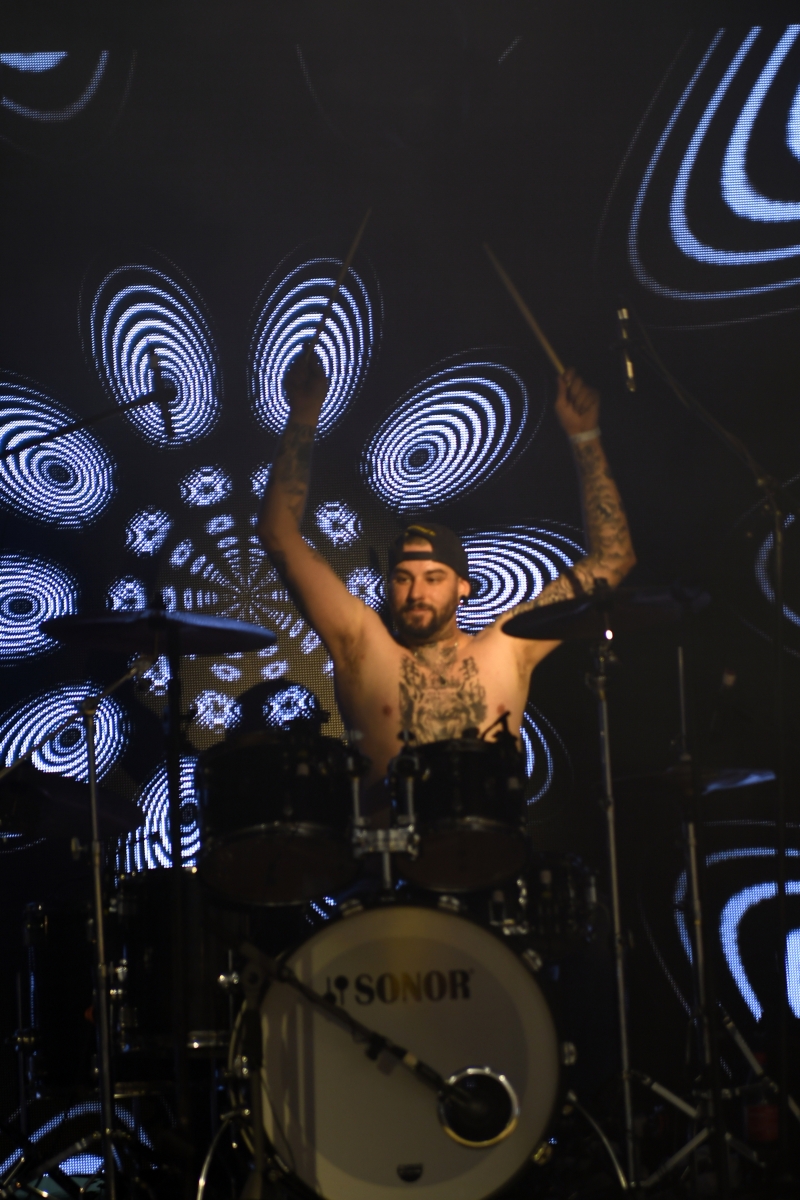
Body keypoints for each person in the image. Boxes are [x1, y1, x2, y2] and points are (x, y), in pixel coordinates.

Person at [258, 354, 635, 805]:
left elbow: (613, 559)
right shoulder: (362, 644)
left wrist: (584, 435)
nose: (416, 592)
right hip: (389, 845)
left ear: (463, 588)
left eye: (434, 577)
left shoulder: (509, 645)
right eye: (403, 578)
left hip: (491, 843)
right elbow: (278, 533)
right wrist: (303, 415)